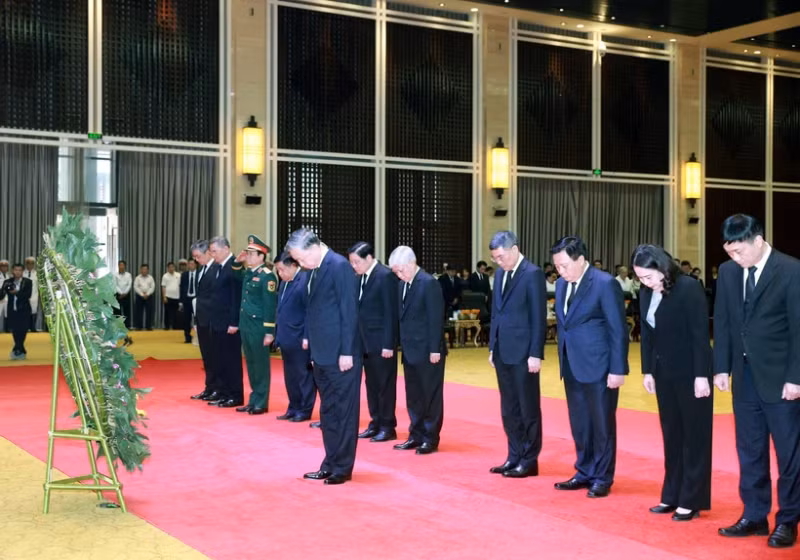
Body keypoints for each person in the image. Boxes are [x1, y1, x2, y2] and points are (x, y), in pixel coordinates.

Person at [713, 214, 800, 548]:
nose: (736, 258)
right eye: (730, 251)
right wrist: (721, 366)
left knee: (789, 453)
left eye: (740, 251)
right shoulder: (729, 272)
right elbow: (722, 322)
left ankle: (789, 519)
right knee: (749, 449)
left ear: (759, 240)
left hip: (782, 380)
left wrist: (796, 377)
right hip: (745, 378)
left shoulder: (791, 271)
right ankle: (754, 514)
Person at [633, 244, 713, 521]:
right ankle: (672, 494)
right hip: (663, 372)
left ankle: (691, 498)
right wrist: (647, 371)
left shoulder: (688, 288)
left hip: (692, 373)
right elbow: (647, 334)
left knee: (694, 437)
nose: (645, 283)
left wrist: (702, 375)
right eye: (641, 278)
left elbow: (700, 335)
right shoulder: (646, 292)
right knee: (672, 435)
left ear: (662, 267)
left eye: (649, 277)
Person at [551, 236, 628, 498]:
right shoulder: (562, 285)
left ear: (581, 260)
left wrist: (618, 369)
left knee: (602, 424)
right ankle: (584, 471)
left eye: (564, 265)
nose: (559, 272)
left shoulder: (605, 284)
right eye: (557, 266)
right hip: (572, 363)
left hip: (600, 367)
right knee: (580, 422)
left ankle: (602, 477)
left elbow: (618, 330)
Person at [287, 228, 361, 485]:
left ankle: (342, 466)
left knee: (343, 411)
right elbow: (314, 311)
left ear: (313, 247)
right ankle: (329, 462)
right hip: (322, 354)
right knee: (328, 411)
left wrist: (347, 351)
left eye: (300, 258)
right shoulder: (315, 269)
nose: (299, 264)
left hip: (341, 355)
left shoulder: (338, 265)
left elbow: (348, 311)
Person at [487, 231, 546, 478]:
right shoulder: (501, 273)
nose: (498, 262)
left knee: (527, 407)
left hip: (524, 353)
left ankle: (529, 460)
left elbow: (538, 317)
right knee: (508, 408)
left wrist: (536, 353)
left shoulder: (532, 274)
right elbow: (496, 312)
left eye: (500, 257)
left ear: (514, 249)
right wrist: (492, 345)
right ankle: (513, 456)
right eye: (494, 259)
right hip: (503, 350)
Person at [388, 246, 447, 455]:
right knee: (413, 395)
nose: (398, 275)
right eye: (395, 272)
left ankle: (430, 438)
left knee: (430, 395)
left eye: (400, 270)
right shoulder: (402, 285)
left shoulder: (428, 283)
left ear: (412, 264)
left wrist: (434, 349)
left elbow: (435, 318)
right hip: (410, 350)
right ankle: (415, 434)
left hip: (428, 350)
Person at [348, 241, 399, 443]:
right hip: (364, 342)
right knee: (371, 384)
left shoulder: (385, 276)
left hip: (381, 342)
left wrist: (389, 343)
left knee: (384, 385)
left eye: (356, 262)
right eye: (351, 262)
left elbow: (390, 313)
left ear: (369, 258)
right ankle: (375, 421)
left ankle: (387, 426)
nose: (354, 266)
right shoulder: (360, 277)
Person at [232, 236, 277, 415]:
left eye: (251, 254)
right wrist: (237, 261)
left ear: (261, 256)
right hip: (246, 325)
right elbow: (235, 273)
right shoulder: (250, 273)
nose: (248, 257)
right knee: (251, 364)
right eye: (248, 253)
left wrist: (269, 332)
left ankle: (261, 402)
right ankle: (253, 399)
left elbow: (269, 306)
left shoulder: (267, 276)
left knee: (260, 365)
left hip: (259, 327)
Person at [274, 252, 315, 422]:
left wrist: (307, 336)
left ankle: (304, 409)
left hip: (299, 338)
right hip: (286, 337)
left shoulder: (304, 281)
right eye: (278, 271)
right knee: (290, 376)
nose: (280, 274)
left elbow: (309, 311)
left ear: (293, 265)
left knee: (303, 376)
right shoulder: (284, 283)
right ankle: (294, 406)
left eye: (282, 269)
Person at [206, 237, 244, 408]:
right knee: (220, 359)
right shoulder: (218, 267)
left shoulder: (234, 267)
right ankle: (223, 391)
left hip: (229, 323)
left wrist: (234, 322)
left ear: (226, 248)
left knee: (231, 361)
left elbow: (237, 297)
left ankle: (235, 395)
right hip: (217, 322)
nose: (212, 255)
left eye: (214, 251)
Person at [189, 240, 219, 401]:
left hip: (213, 321)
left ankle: (217, 388)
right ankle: (209, 387)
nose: (196, 260)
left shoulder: (216, 268)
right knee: (206, 356)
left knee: (215, 356)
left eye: (198, 256)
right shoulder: (203, 270)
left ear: (208, 252)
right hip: (202, 320)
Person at [1, 264, 33, 360]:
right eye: (16, 270)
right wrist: (4, 288)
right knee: (15, 330)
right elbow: (1, 296)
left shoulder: (28, 282)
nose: (18, 272)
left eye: (20, 270)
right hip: (12, 310)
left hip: (24, 310)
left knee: (23, 330)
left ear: (22, 271)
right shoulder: (7, 282)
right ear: (12, 271)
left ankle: (18, 348)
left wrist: (16, 293)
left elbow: (28, 295)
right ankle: (20, 349)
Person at [179, 259, 198, 344]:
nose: (191, 265)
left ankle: (199, 337)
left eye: (192, 263)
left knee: (198, 319)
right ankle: (187, 337)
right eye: (189, 264)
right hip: (187, 300)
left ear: (196, 265)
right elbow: (181, 288)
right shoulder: (184, 275)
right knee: (186, 319)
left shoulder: (200, 274)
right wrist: (181, 301)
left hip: (197, 299)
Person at [133, 264, 155, 330]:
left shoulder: (150, 278)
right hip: (139, 297)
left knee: (149, 312)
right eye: (143, 269)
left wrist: (147, 294)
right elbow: (135, 287)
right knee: (139, 312)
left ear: (148, 270)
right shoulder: (137, 278)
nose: (144, 270)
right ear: (140, 270)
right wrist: (142, 294)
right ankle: (139, 327)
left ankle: (148, 327)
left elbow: (152, 287)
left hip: (149, 297)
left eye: (146, 269)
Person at [161, 261, 181, 330]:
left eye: (172, 267)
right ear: (167, 268)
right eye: (169, 267)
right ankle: (167, 327)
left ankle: (175, 327)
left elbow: (180, 286)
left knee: (176, 313)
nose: (171, 268)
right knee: (167, 313)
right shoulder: (165, 276)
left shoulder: (178, 275)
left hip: (177, 297)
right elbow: (163, 287)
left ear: (174, 267)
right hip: (168, 297)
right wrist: (164, 297)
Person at [23, 257, 40, 332]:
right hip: (24, 296)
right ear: (26, 264)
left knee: (34, 311)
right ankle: (25, 327)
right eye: (28, 263)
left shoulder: (37, 274)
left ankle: (33, 327)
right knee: (25, 312)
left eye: (32, 263)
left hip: (34, 295)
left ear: (34, 264)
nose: (30, 265)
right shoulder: (22, 273)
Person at [114, 260, 133, 328]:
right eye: (120, 265)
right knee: (117, 312)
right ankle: (118, 327)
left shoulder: (129, 275)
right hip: (118, 295)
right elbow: (115, 285)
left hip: (126, 295)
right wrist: (121, 293)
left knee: (127, 312)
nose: (121, 266)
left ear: (125, 266)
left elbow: (129, 285)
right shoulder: (115, 274)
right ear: (118, 266)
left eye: (123, 265)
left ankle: (127, 326)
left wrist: (125, 293)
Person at [0, 259, 9, 333]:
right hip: (0, 298)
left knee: (7, 314)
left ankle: (7, 329)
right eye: (2, 266)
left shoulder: (9, 276)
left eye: (5, 266)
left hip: (7, 298)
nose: (4, 268)